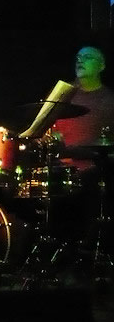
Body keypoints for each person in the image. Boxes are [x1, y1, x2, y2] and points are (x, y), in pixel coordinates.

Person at [51, 45, 114, 244]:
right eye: (78, 57)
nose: (80, 61)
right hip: (60, 169)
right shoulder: (63, 94)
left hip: (93, 171)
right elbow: (46, 129)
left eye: (87, 57)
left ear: (101, 66)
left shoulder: (109, 100)